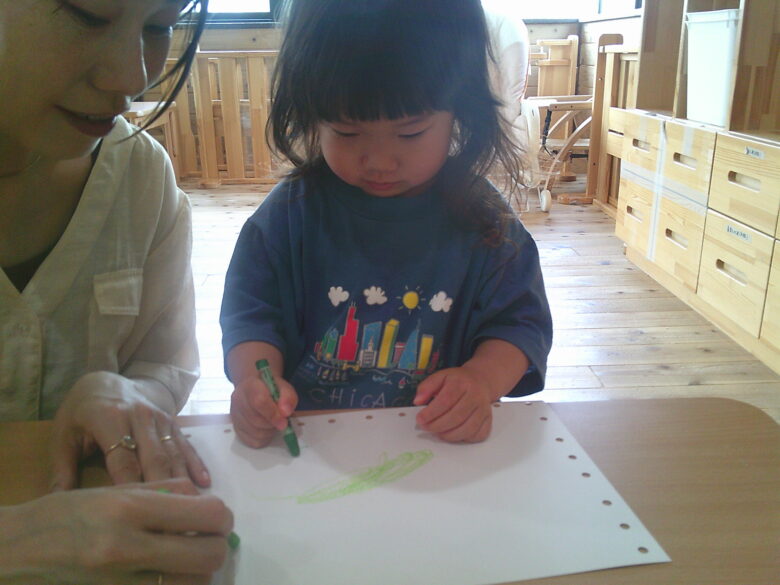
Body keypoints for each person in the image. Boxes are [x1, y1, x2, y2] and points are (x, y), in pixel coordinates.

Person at [220, 0, 553, 449]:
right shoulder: (287, 216)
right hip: (312, 445)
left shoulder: (486, 222)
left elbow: (519, 325)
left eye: (410, 133)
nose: (379, 162)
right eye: (347, 132)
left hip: (436, 445)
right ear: (311, 115)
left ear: (460, 111)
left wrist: (481, 379)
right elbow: (251, 317)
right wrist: (254, 382)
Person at [0, 1, 233, 582]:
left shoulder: (139, 173)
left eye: (160, 26)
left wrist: (126, 390)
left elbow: (164, 364)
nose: (134, 78)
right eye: (89, 15)